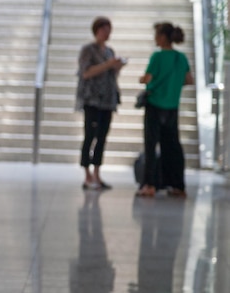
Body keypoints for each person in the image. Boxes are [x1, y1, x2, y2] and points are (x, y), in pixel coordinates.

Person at [136, 22, 194, 198]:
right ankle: (177, 185)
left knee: (151, 145)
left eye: (156, 35)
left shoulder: (158, 56)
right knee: (173, 146)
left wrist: (143, 79)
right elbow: (189, 80)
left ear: (162, 37)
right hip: (172, 106)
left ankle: (149, 185)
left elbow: (147, 78)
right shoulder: (181, 58)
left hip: (155, 105)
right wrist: (173, 85)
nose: (155, 38)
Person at [75, 17, 126, 190]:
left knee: (102, 137)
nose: (107, 33)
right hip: (92, 99)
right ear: (97, 30)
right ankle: (87, 174)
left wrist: (116, 67)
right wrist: (106, 65)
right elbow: (85, 73)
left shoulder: (110, 51)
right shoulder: (88, 50)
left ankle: (97, 172)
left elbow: (111, 74)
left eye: (109, 30)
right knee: (90, 135)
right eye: (104, 30)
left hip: (108, 100)